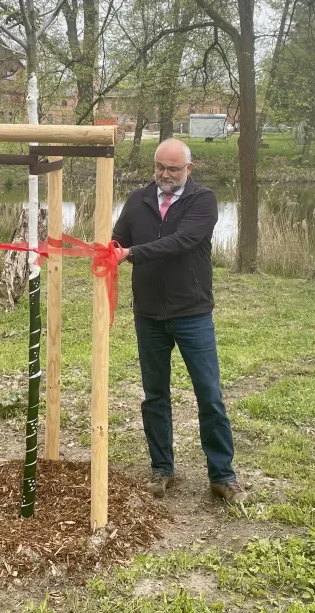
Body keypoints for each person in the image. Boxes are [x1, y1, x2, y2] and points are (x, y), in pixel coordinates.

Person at [110, 138, 246, 504]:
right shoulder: (137, 200)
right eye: (159, 167)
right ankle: (162, 469)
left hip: (192, 313)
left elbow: (182, 241)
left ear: (189, 168)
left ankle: (222, 475)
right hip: (149, 313)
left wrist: (131, 253)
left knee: (209, 394)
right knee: (155, 395)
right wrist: (106, 249)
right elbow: (117, 240)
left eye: (172, 168)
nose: (165, 174)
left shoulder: (203, 200)